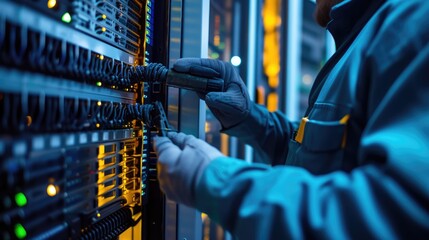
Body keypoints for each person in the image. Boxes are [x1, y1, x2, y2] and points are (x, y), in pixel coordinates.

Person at [154, 0, 429, 238]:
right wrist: (248, 116)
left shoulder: (414, 23)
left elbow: (390, 218)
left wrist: (216, 182)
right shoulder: (363, 36)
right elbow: (314, 153)